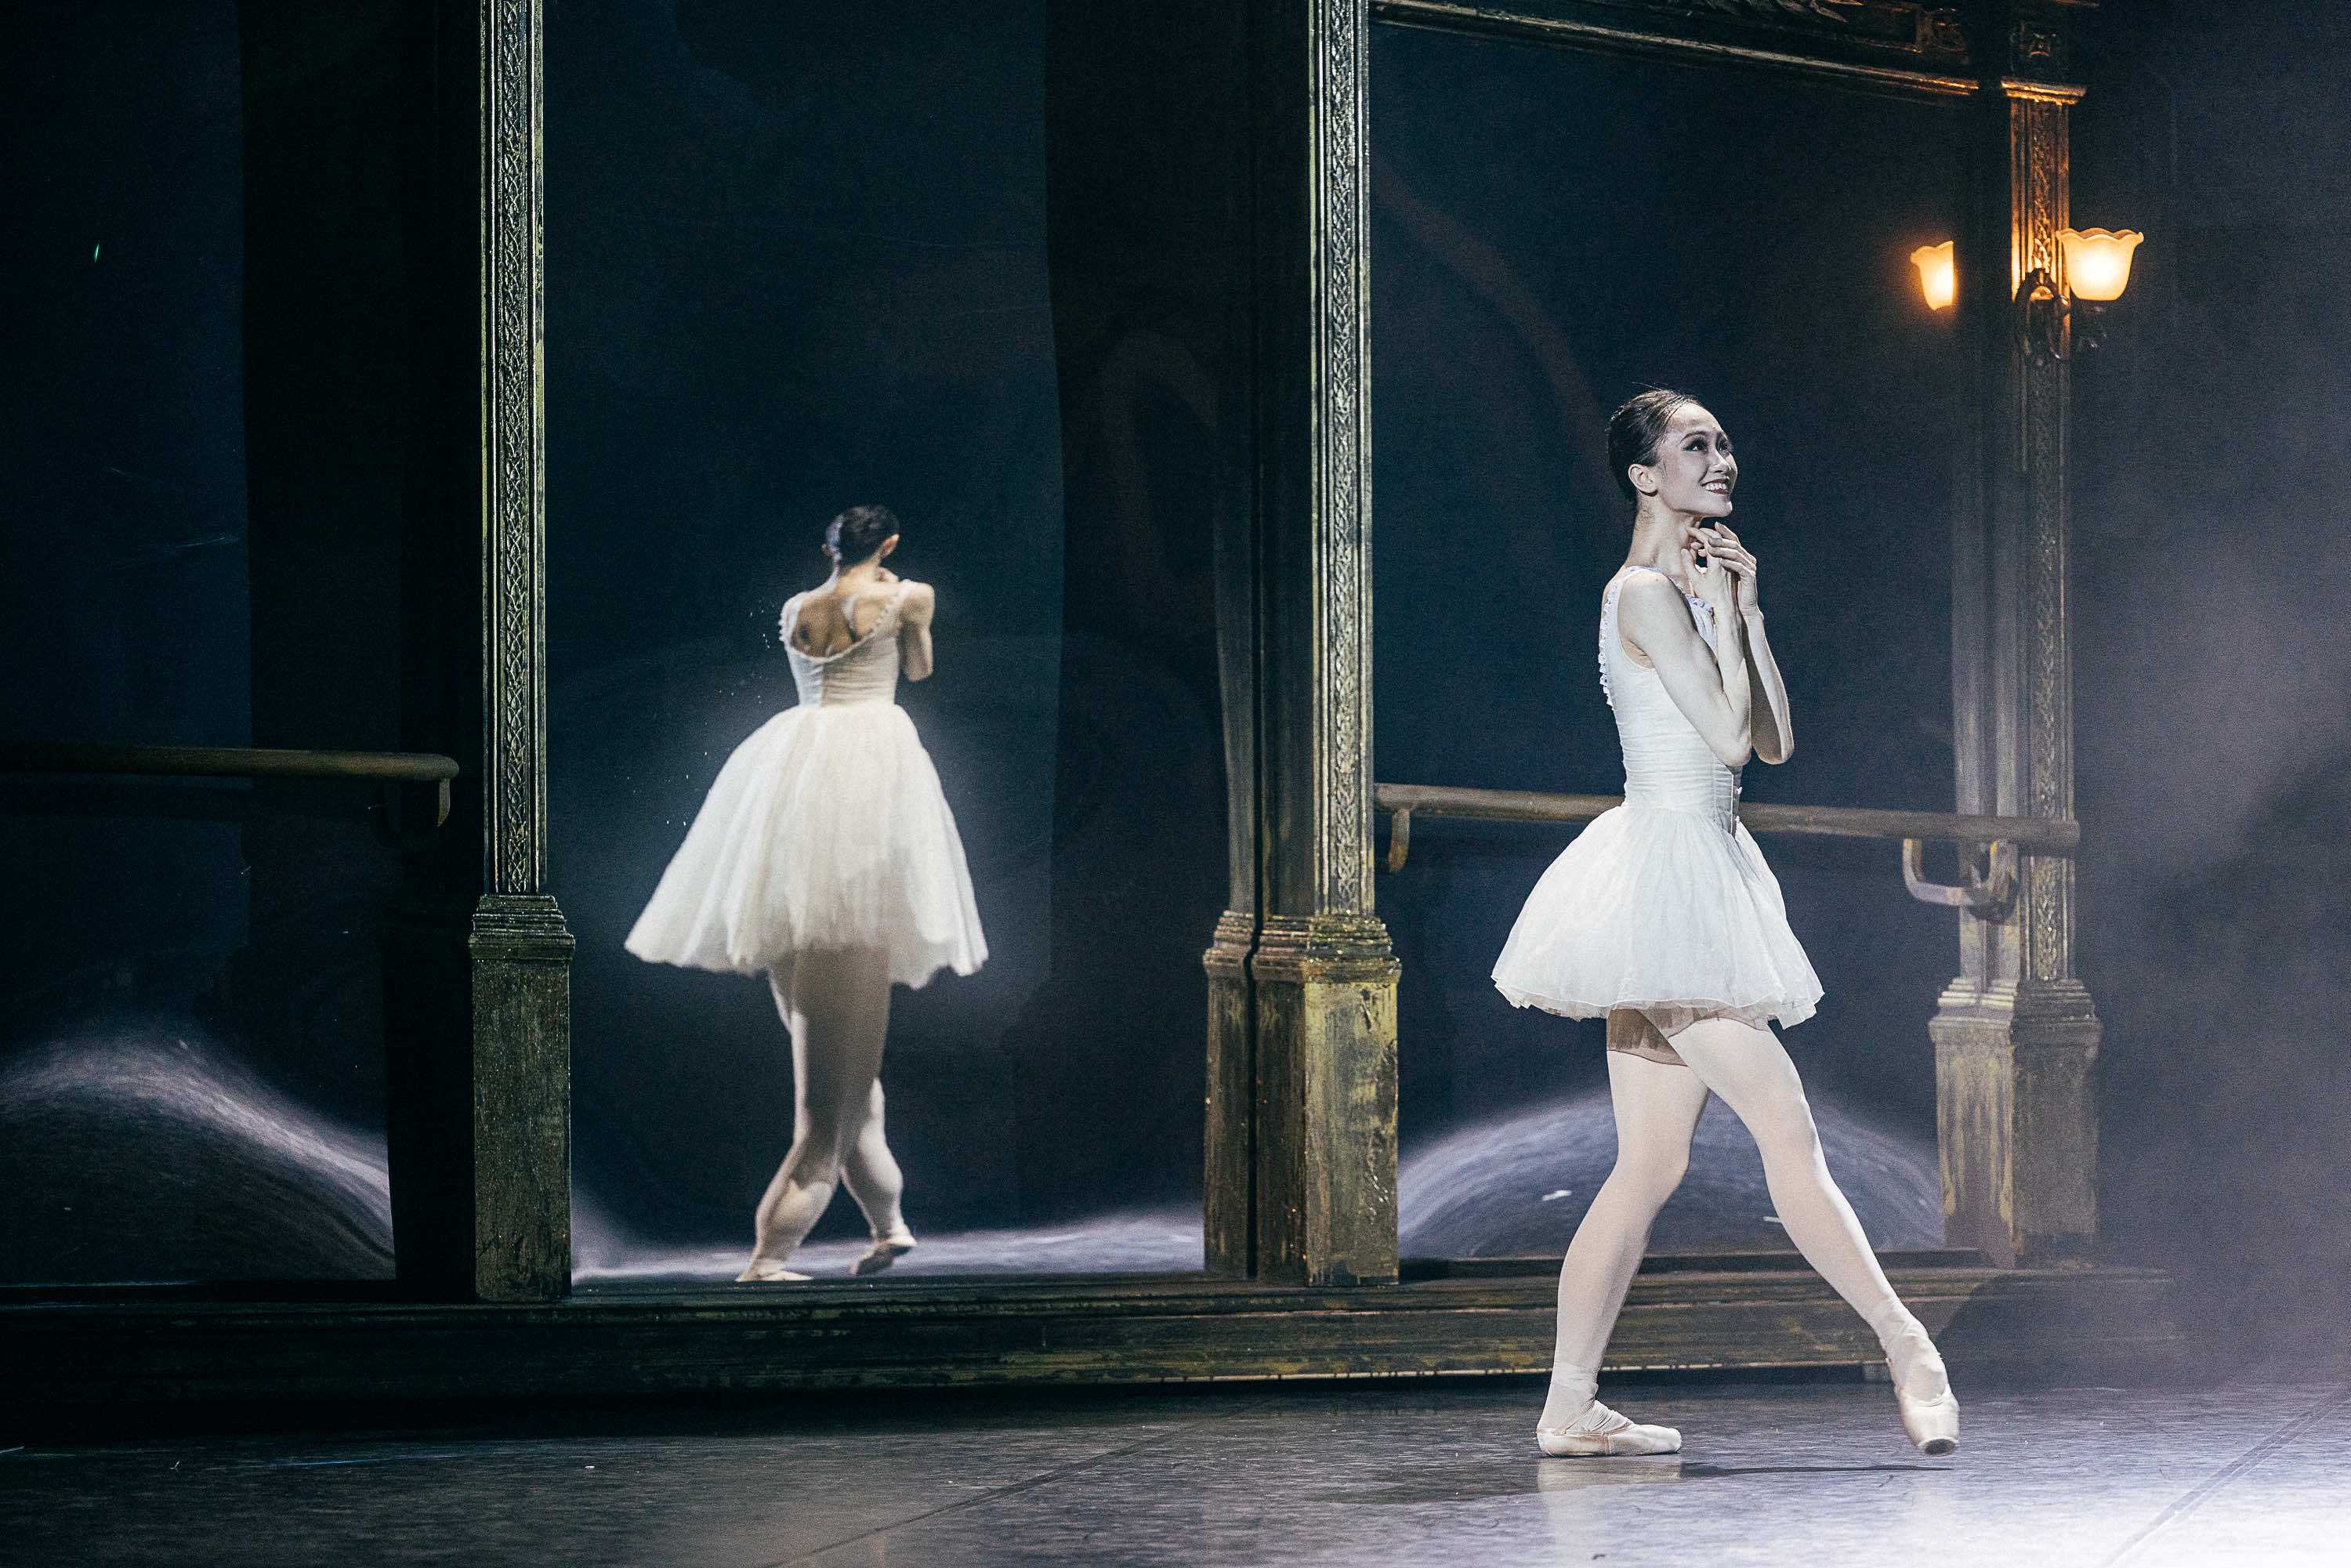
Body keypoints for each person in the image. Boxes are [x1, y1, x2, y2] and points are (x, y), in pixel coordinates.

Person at [1491, 391, 1959, 1458]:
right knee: (1787, 1128)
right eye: (1695, 445)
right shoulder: (1643, 593)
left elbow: (1774, 740)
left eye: (1725, 442)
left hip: (1700, 866)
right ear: (1644, 475)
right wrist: (1713, 620)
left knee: (1647, 1168)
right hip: (1665, 877)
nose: (1721, 459)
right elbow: (1728, 740)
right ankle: (1908, 1346)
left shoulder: (1694, 592)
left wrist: (1745, 612)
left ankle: (1568, 1406)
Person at [625, 504, 987, 1281]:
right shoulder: (908, 596)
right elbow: (919, 671)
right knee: (829, 1108)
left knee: (854, 1086)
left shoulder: (798, 607)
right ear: (888, 544)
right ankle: (769, 1258)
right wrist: (909, 614)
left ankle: (890, 1226)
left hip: (795, 790)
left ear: (828, 548)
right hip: (863, 797)